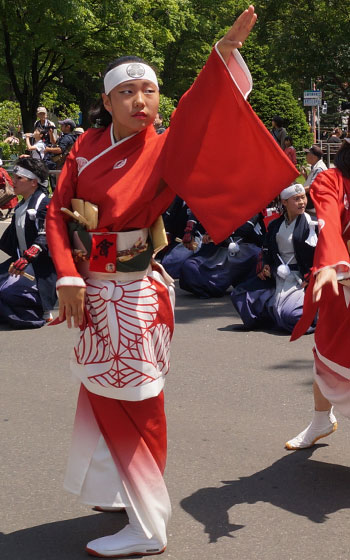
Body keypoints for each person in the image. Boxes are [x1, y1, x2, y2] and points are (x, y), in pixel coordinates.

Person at [46, 6, 298, 557]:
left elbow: (206, 112)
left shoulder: (166, 145)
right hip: (91, 289)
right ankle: (119, 494)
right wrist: (66, 272)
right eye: (129, 91)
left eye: (151, 91)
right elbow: (57, 215)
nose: (142, 101)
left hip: (134, 292)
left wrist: (224, 55)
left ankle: (149, 526)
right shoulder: (84, 147)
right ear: (107, 100)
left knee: (138, 403)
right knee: (100, 393)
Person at [285, 138, 350, 450]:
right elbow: (330, 222)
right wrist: (332, 262)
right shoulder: (331, 179)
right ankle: (321, 420)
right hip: (341, 280)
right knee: (325, 353)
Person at [231, 184, 318, 333]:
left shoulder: (312, 224)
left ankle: (317, 314)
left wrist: (312, 275)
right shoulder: (275, 225)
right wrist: (265, 265)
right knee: (240, 294)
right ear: (284, 202)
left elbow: (321, 253)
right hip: (277, 274)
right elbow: (266, 249)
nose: (302, 202)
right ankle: (271, 316)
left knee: (289, 315)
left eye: (303, 197)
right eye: (296, 199)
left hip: (301, 277)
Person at [0, 157, 57, 328]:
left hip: (42, 268)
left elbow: (46, 235)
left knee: (7, 292)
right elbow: (10, 239)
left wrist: (27, 258)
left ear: (33, 182)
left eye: (19, 178)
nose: (14, 182)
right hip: (23, 263)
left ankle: (38, 311)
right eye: (14, 177)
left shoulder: (44, 204)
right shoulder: (20, 206)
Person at [179, 214, 265, 298]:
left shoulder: (252, 204)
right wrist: (189, 231)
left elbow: (245, 228)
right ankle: (213, 287)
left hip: (243, 252)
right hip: (217, 252)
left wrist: (217, 232)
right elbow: (198, 209)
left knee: (257, 256)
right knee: (188, 266)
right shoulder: (217, 201)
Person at [301, 145, 327, 215]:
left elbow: (312, 187)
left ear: (314, 157)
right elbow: (314, 183)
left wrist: (298, 190)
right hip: (312, 200)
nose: (306, 156)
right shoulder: (316, 166)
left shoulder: (319, 169)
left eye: (307, 154)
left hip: (313, 204)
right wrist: (306, 176)